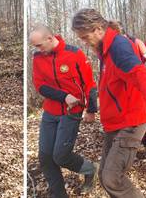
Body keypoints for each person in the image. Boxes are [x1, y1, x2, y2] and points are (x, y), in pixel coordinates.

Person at [72, 9, 146, 198]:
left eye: (85, 37)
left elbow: (141, 75)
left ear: (98, 29)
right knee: (104, 175)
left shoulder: (118, 46)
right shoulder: (105, 49)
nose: (84, 42)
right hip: (115, 123)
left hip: (130, 122)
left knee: (112, 177)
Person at [30, 25, 98, 198]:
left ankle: (90, 170)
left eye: (39, 45)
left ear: (50, 38)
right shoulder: (38, 58)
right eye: (34, 46)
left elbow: (89, 84)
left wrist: (91, 110)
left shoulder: (74, 54)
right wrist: (64, 96)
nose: (37, 49)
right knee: (45, 157)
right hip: (50, 112)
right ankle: (59, 194)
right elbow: (40, 86)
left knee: (60, 155)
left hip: (72, 112)